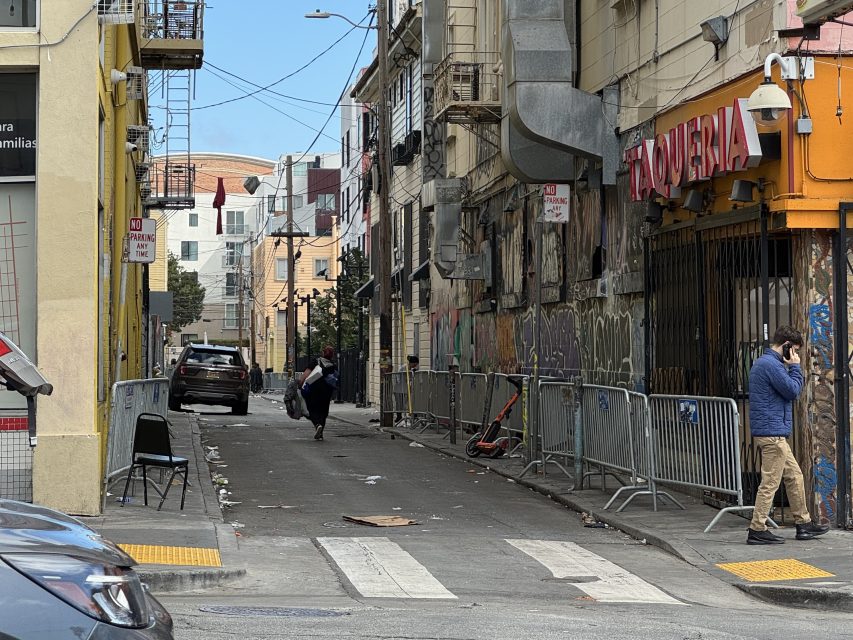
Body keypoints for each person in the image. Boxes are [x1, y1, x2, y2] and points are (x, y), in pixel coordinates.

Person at [746, 325, 830, 545]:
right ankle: (757, 528)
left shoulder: (766, 363)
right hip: (772, 434)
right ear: (787, 346)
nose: (795, 354)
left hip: (774, 432)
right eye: (795, 350)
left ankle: (803, 524)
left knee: (795, 476)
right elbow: (792, 391)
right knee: (770, 482)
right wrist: (795, 367)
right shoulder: (771, 365)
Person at [300, 346, 338, 440]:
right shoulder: (333, 365)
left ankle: (317, 425)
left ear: (323, 353)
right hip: (327, 391)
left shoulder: (316, 361)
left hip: (313, 389)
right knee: (323, 411)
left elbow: (306, 373)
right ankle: (320, 432)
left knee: (311, 409)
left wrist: (300, 383)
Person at [395, 355, 419, 421]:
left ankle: (411, 415)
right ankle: (399, 416)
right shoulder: (403, 368)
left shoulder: (412, 369)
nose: (415, 366)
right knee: (399, 404)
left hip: (407, 389)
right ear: (411, 363)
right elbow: (398, 378)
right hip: (399, 389)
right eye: (414, 364)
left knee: (408, 403)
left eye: (416, 365)